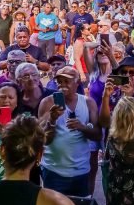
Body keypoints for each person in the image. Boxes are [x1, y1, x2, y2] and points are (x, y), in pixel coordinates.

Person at [37, 66, 101, 196]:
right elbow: (43, 139)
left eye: (67, 81)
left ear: (77, 83)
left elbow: (98, 135)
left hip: (81, 172)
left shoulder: (88, 103)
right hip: (54, 171)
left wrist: (82, 127)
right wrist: (52, 120)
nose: (62, 85)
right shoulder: (47, 103)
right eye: (59, 81)